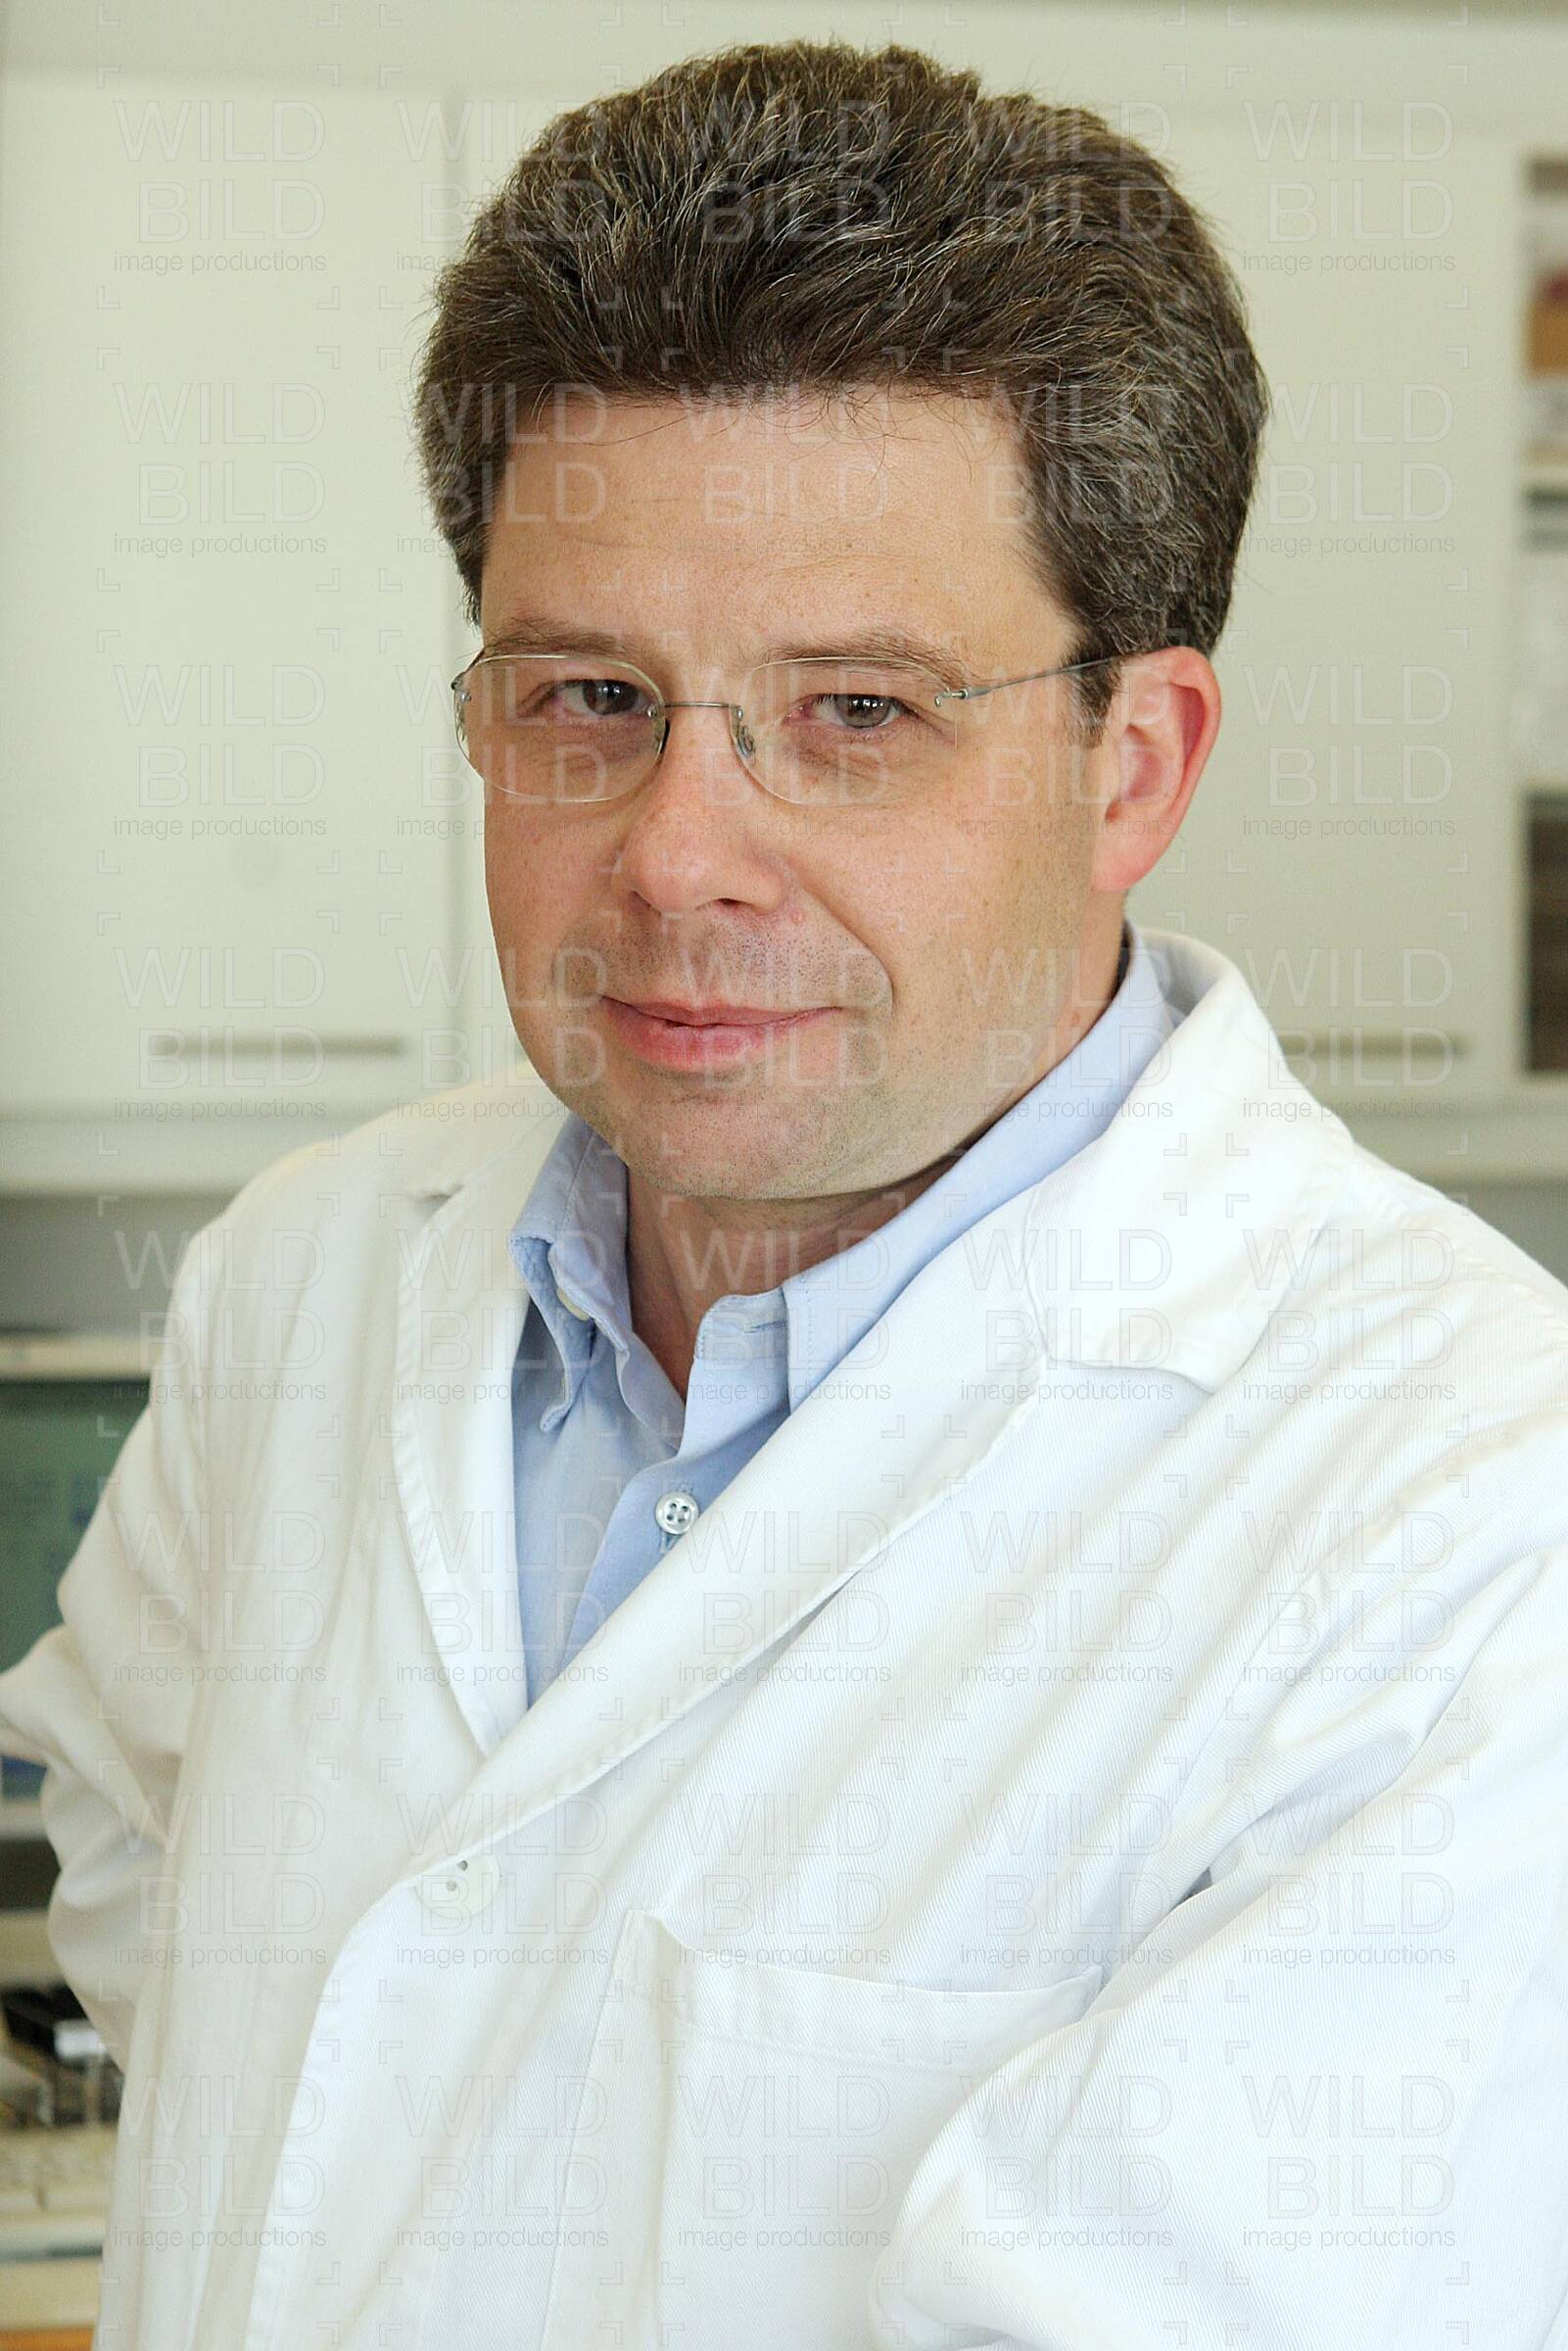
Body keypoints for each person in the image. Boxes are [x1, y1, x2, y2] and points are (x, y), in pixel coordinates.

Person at [2, 34, 1566, 2351]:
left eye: (855, 714)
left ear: (1134, 763)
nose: (676, 858)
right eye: (587, 697)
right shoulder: (311, 1277)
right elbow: (164, 1887)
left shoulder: (1469, 1518)